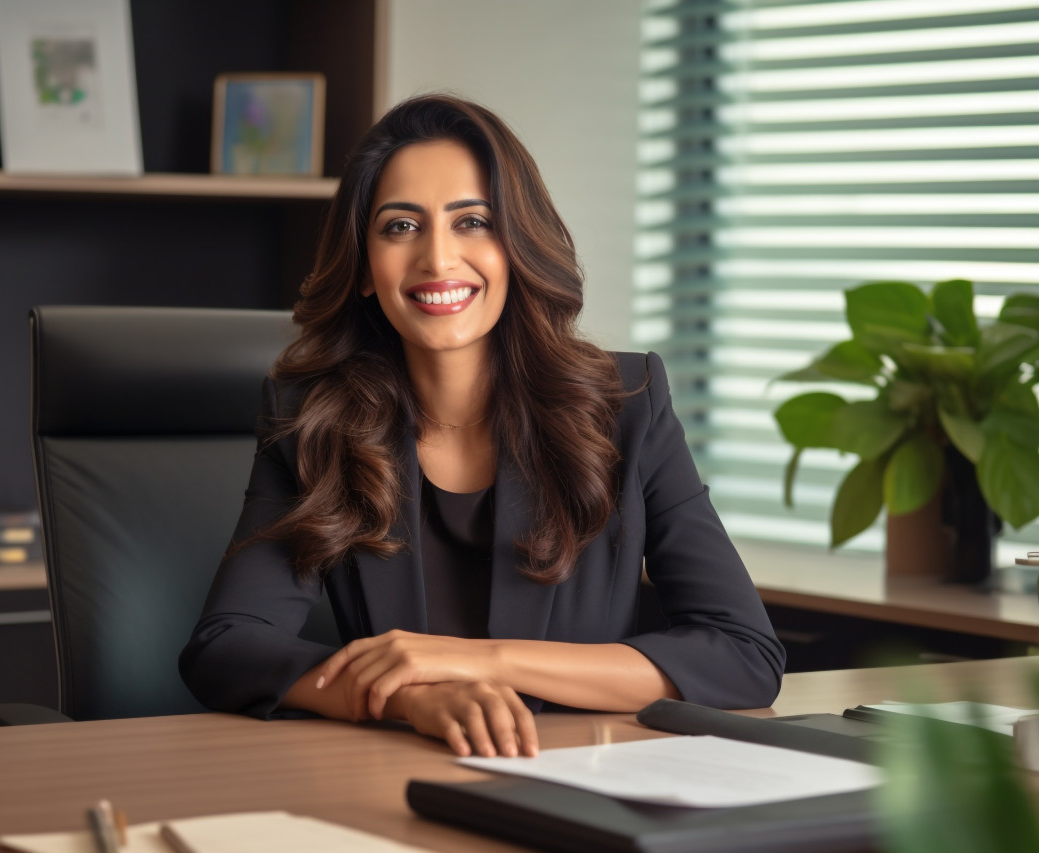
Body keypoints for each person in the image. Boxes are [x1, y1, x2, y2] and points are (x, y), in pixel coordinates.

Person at [180, 94, 784, 759]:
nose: (438, 259)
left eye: (472, 221)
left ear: (515, 246)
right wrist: (407, 694)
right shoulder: (314, 419)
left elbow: (743, 653)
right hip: (387, 780)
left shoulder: (628, 405)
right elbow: (228, 644)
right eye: (400, 227)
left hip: (581, 780)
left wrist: (480, 661)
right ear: (361, 269)